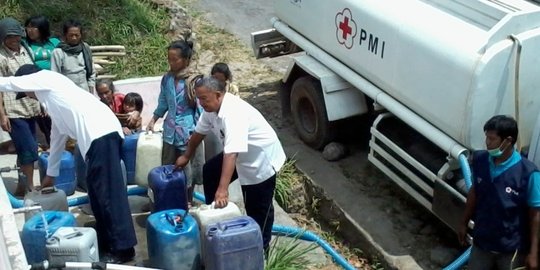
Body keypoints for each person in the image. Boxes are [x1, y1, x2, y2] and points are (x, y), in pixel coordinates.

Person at [0, 64, 137, 263]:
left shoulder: (47, 78)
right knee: (97, 193)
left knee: (109, 195)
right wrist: (50, 175)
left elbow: (10, 82)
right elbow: (57, 137)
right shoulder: (55, 98)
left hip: (101, 134)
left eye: (26, 92)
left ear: (30, 81)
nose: (29, 96)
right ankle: (108, 242)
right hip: (97, 138)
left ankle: (124, 249)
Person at [175, 76, 286, 252]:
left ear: (218, 95)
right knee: (211, 171)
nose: (201, 103)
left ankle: (261, 251)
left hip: (259, 160)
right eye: (199, 98)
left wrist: (223, 189)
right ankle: (215, 219)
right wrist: (186, 156)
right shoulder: (210, 109)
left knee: (257, 208)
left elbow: (231, 153)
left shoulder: (233, 113)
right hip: (240, 154)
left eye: (204, 98)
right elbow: (198, 133)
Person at [458, 115, 540, 270]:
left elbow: (535, 214)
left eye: (492, 139)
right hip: (482, 243)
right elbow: (474, 192)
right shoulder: (480, 159)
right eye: (486, 138)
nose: (487, 143)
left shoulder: (529, 173)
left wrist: (534, 252)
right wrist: (463, 222)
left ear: (508, 141)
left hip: (511, 250)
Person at [146, 39, 204, 205]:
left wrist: (195, 133)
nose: (171, 63)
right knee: (169, 166)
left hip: (188, 132)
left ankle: (187, 200)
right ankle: (170, 198)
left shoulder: (195, 81)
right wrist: (154, 119)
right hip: (170, 131)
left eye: (175, 59)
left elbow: (201, 111)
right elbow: (163, 101)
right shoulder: (167, 79)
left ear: (186, 60)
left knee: (188, 169)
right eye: (169, 59)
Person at [0, 18, 41, 195]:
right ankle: (30, 187)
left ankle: (21, 186)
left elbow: (35, 77)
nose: (14, 40)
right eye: (10, 37)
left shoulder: (26, 51)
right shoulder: (1, 57)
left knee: (24, 148)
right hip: (14, 110)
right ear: (3, 38)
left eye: (16, 36)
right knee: (29, 148)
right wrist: (2, 115)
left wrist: (42, 102)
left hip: (30, 106)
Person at [24, 15, 60, 148]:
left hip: (55, 84)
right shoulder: (24, 44)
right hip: (37, 85)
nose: (30, 30)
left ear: (42, 28)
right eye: (28, 26)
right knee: (44, 116)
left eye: (34, 27)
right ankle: (52, 146)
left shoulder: (54, 43)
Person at [51, 19, 96, 93]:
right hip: (67, 91)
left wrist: (91, 88)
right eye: (71, 35)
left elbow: (92, 70)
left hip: (85, 90)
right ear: (65, 35)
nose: (74, 38)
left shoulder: (85, 48)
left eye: (77, 35)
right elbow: (55, 76)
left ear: (81, 35)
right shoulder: (58, 52)